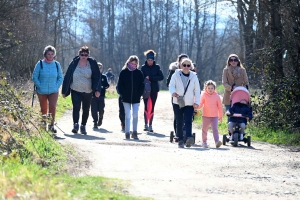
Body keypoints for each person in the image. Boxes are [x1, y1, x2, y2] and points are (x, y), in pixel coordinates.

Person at [61, 46, 101, 135]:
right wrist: (64, 91)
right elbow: (67, 76)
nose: (83, 56)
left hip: (88, 91)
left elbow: (97, 77)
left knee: (86, 109)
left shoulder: (92, 64)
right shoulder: (74, 63)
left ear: (88, 55)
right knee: (76, 107)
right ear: (79, 54)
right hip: (75, 89)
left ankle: (83, 126)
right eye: (82, 54)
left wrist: (97, 90)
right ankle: (75, 125)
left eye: (86, 55)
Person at [169, 58, 200, 148]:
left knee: (188, 120)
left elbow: (197, 90)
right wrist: (173, 92)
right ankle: (180, 140)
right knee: (179, 121)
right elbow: (171, 85)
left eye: (188, 65)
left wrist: (197, 102)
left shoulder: (194, 76)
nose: (186, 67)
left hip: (189, 103)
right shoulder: (176, 75)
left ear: (191, 67)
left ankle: (189, 137)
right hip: (178, 101)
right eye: (184, 65)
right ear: (181, 66)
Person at [32, 45, 63, 134]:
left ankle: (51, 125)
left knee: (52, 107)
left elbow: (60, 77)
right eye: (48, 54)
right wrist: (40, 86)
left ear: (54, 55)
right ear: (45, 54)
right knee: (44, 108)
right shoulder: (40, 64)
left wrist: (56, 86)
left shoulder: (57, 65)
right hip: (42, 91)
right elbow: (34, 76)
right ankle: (43, 124)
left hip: (53, 91)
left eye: (52, 54)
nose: (50, 55)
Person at [117, 55, 144, 139]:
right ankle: (127, 132)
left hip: (136, 98)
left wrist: (139, 94)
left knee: (135, 114)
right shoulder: (123, 72)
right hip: (126, 98)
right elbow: (120, 85)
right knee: (128, 115)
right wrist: (123, 94)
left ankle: (135, 131)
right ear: (128, 63)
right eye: (132, 63)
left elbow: (141, 85)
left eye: (135, 64)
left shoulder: (139, 73)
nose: (133, 65)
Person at [140, 50, 164, 132]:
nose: (150, 62)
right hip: (146, 90)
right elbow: (140, 78)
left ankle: (150, 125)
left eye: (151, 60)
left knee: (152, 107)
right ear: (146, 60)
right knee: (146, 106)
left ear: (153, 60)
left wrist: (151, 78)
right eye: (148, 60)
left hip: (154, 90)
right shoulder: (143, 67)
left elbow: (161, 77)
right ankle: (145, 124)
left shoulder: (157, 67)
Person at [166, 54, 189, 135]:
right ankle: (178, 133)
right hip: (177, 97)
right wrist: (174, 91)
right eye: (182, 61)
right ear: (178, 62)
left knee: (187, 115)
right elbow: (168, 83)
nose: (184, 63)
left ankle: (185, 132)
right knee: (178, 115)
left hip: (188, 97)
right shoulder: (173, 70)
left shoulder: (191, 70)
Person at [198, 80, 223, 148]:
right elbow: (201, 104)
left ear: (214, 89)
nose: (210, 89)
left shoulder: (217, 96)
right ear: (206, 88)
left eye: (212, 88)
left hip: (214, 116)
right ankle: (204, 142)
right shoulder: (204, 95)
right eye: (209, 88)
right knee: (204, 130)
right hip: (205, 116)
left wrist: (220, 116)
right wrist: (196, 107)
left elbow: (220, 107)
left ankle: (217, 141)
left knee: (215, 129)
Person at [91, 62, 110, 129]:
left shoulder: (104, 77)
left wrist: (103, 86)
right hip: (93, 96)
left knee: (101, 109)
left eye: (100, 67)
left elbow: (107, 85)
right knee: (94, 110)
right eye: (98, 67)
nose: (99, 69)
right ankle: (95, 122)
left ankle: (100, 118)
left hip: (101, 96)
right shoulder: (92, 76)